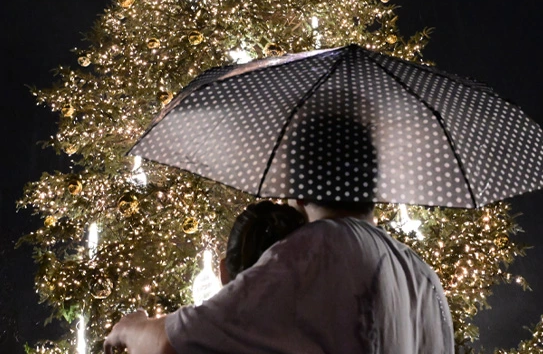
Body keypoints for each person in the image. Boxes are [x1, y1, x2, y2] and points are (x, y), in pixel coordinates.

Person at [104, 113, 454, 353]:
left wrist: (131, 327)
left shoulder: (317, 249)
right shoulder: (423, 276)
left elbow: (177, 341)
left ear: (299, 189)